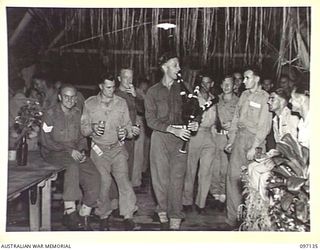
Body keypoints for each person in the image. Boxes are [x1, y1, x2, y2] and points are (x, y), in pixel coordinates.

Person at [144, 52, 199, 230]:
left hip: (181, 139)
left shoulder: (185, 88)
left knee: (177, 179)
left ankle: (175, 216)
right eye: (175, 65)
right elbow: (150, 120)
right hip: (160, 138)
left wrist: (195, 123)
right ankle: (162, 211)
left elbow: (195, 111)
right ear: (164, 67)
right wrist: (171, 129)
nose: (179, 68)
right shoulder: (152, 92)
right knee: (160, 180)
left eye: (178, 65)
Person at [80, 73, 140, 231]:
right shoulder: (89, 103)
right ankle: (103, 215)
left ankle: (128, 216)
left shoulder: (121, 103)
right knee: (104, 182)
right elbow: (83, 129)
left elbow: (128, 125)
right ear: (100, 86)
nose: (111, 90)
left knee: (124, 182)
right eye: (108, 87)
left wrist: (126, 133)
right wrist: (92, 129)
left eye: (113, 87)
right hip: (99, 150)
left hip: (117, 148)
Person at [40, 84, 100, 231]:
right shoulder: (50, 114)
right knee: (72, 166)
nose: (69, 100)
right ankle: (70, 211)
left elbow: (81, 138)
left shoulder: (78, 113)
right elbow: (45, 141)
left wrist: (82, 151)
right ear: (60, 97)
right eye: (66, 96)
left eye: (73, 97)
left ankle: (84, 214)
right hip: (53, 152)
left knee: (94, 175)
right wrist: (69, 150)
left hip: (74, 151)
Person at [223, 68, 272, 229]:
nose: (243, 81)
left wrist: (255, 147)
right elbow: (236, 118)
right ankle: (234, 219)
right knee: (232, 177)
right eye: (244, 78)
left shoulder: (265, 98)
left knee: (253, 183)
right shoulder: (244, 95)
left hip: (254, 142)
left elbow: (264, 126)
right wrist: (231, 140)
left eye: (247, 78)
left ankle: (253, 222)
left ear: (257, 79)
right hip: (240, 139)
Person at [182, 72, 216, 214]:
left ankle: (201, 203)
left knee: (206, 171)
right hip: (195, 135)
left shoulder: (214, 100)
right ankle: (186, 201)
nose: (205, 86)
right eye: (203, 82)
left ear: (212, 84)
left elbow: (215, 121)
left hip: (209, 135)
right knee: (190, 170)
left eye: (208, 83)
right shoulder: (193, 98)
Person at [210, 75, 239, 210]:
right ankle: (215, 193)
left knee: (226, 167)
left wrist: (234, 125)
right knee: (215, 166)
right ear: (221, 86)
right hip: (217, 137)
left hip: (231, 138)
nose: (227, 87)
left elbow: (242, 120)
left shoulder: (239, 101)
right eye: (224, 84)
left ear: (234, 86)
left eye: (230, 84)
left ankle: (224, 193)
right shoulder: (215, 100)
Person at [115, 68, 141, 183]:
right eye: (126, 78)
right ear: (119, 79)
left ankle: (126, 195)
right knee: (119, 167)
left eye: (131, 78)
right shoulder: (115, 94)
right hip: (119, 136)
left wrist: (135, 96)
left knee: (129, 164)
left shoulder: (132, 94)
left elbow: (142, 110)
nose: (129, 81)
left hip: (131, 136)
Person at [132, 77, 150, 190]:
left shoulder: (143, 96)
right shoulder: (135, 94)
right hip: (136, 120)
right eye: (142, 88)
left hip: (143, 121)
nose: (143, 91)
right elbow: (140, 108)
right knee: (137, 153)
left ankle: (139, 176)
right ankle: (135, 181)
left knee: (142, 152)